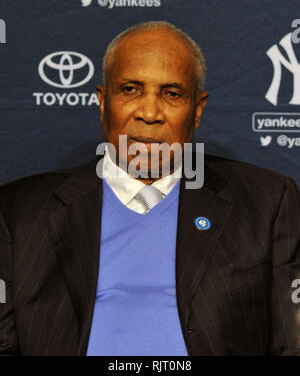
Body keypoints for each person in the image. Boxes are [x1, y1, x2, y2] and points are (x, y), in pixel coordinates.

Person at [0, 21, 299, 356]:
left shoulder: (267, 202)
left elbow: (293, 342)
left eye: (171, 94)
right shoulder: (18, 212)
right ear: (103, 101)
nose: (149, 112)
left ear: (197, 110)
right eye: (130, 89)